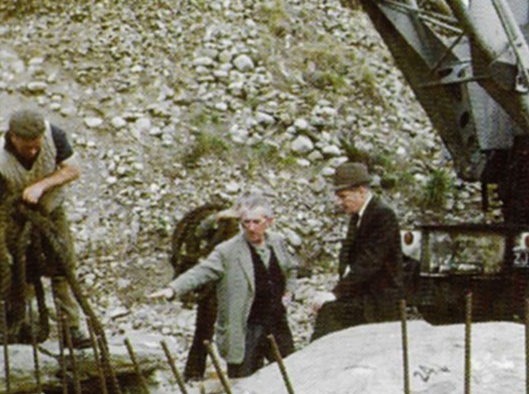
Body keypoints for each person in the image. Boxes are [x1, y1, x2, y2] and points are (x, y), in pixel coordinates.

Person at [150, 194, 297, 379]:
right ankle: (194, 373)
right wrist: (173, 288)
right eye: (246, 223)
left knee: (291, 375)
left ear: (269, 221)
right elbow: (201, 271)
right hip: (246, 327)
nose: (251, 228)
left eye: (256, 222)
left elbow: (291, 268)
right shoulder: (227, 250)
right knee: (243, 381)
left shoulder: (276, 242)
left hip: (277, 322)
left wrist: (289, 293)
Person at [0, 108, 87, 346]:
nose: (33, 151)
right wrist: (6, 227)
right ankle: (22, 326)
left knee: (63, 265)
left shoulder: (53, 135)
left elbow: (73, 169)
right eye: (27, 146)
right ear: (13, 138)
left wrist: (42, 186)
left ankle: (72, 329)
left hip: (52, 211)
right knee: (22, 273)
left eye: (36, 145)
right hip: (18, 220)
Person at [310, 162, 403, 341]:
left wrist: (335, 293)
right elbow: (347, 255)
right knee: (329, 314)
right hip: (363, 296)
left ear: (361, 191)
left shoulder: (383, 216)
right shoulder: (358, 216)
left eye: (343, 196)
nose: (340, 202)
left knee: (331, 316)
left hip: (379, 302)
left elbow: (369, 263)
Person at [169, 203, 241, 381]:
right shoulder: (221, 226)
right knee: (204, 330)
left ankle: (241, 371)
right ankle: (194, 372)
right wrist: (216, 218)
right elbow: (199, 232)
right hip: (214, 286)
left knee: (242, 329)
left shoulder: (250, 228)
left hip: (236, 284)